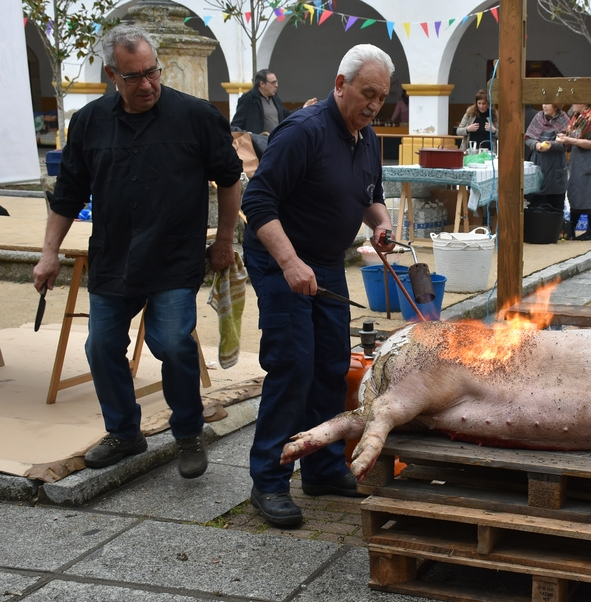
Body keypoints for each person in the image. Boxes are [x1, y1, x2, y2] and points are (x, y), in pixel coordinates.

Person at [32, 25, 243, 477]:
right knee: (102, 346)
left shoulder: (196, 116)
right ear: (111, 74)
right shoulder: (89, 122)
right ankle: (125, 433)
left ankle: (187, 432)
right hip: (113, 257)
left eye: (153, 72)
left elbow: (230, 179)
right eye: (134, 77)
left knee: (170, 342)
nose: (147, 84)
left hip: (174, 256)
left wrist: (224, 240)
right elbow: (67, 195)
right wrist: (49, 253)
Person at [240, 44, 396, 528]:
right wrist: (289, 262)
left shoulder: (368, 137)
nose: (373, 105)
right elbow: (259, 202)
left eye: (381, 97)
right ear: (340, 84)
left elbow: (372, 196)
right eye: (366, 93)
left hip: (326, 261)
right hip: (279, 257)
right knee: (293, 365)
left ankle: (323, 468)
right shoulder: (302, 131)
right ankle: (267, 480)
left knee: (331, 363)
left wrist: (382, 224)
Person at [556, 103, 591, 241]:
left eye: (576, 102)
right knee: (576, 191)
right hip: (579, 160)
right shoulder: (577, 118)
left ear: (584, 102)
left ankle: (590, 231)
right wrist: (565, 137)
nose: (573, 105)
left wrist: (569, 140)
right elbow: (574, 136)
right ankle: (571, 229)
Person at [231, 69, 317, 135]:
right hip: (257, 145)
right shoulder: (248, 99)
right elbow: (236, 125)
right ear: (262, 84)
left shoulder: (275, 99)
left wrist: (303, 108)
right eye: (273, 83)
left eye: (276, 82)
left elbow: (287, 115)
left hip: (275, 142)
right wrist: (252, 136)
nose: (276, 85)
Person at [524, 103, 569, 213]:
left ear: (556, 105)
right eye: (543, 103)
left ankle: (556, 228)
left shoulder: (564, 119)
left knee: (555, 205)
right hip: (539, 164)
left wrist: (551, 145)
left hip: (556, 167)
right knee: (537, 204)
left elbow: (567, 143)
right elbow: (528, 138)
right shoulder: (539, 117)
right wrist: (536, 145)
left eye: (548, 104)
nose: (544, 106)